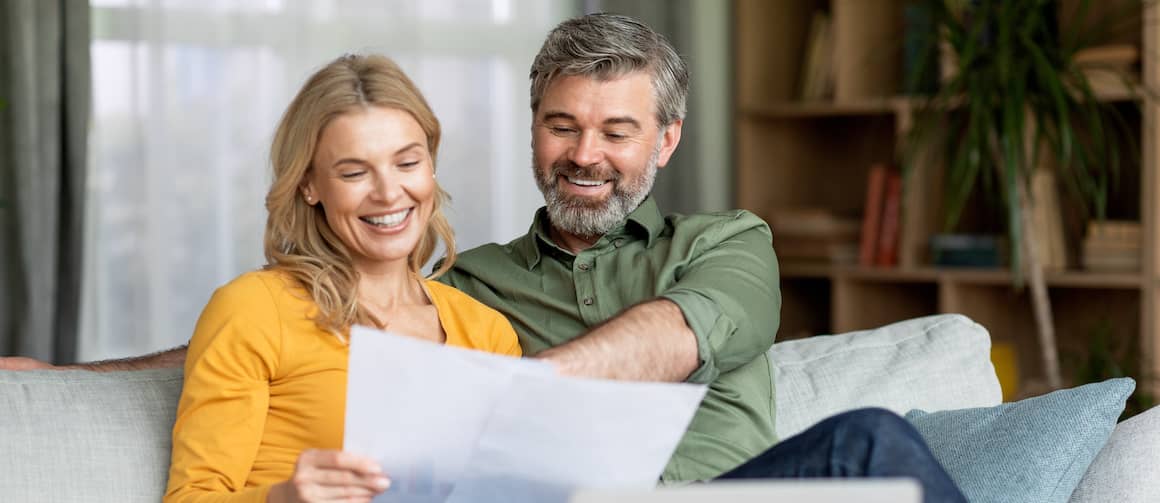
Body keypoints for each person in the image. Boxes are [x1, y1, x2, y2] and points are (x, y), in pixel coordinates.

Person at [2, 13, 966, 503]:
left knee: (870, 440)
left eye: (617, 131)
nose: (586, 153)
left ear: (664, 141)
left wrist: (499, 399)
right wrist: (68, 378)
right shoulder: (471, 300)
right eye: (563, 125)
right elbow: (304, 330)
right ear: (533, 130)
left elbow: (675, 338)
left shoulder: (723, 244)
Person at [163, 54, 522, 503]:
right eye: (354, 172)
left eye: (407, 163)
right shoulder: (255, 310)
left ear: (430, 167)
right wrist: (285, 498)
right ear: (309, 185)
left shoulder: (488, 334)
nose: (388, 193)